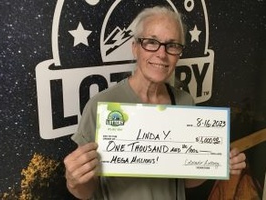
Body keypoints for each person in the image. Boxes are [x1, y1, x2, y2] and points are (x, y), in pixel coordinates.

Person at [64, 6, 246, 200]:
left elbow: (186, 181)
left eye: (172, 45)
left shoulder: (184, 102)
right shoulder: (101, 105)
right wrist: (74, 180)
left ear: (179, 54)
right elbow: (85, 191)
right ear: (135, 48)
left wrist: (215, 164)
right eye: (151, 42)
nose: (162, 54)